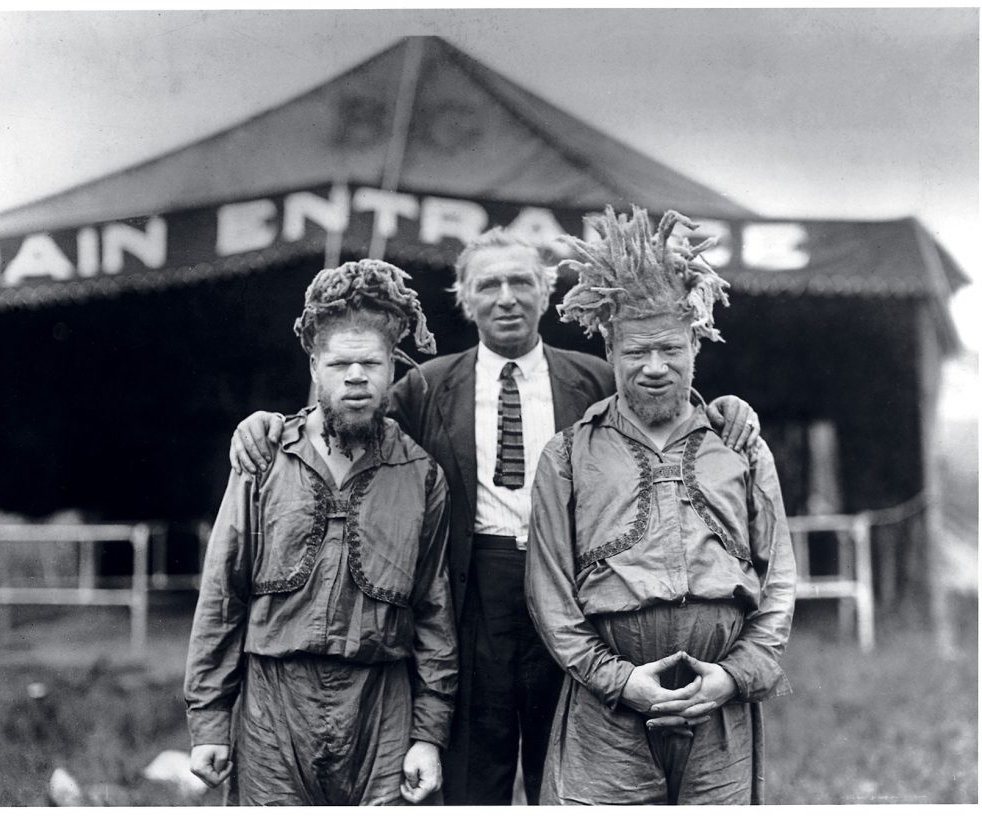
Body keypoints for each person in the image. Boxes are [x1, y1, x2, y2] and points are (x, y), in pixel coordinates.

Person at [228, 228, 761, 805]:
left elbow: (663, 404)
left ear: (547, 289)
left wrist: (727, 408)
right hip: (472, 589)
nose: (506, 297)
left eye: (521, 282)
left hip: (573, 588)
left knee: (563, 753)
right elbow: (355, 411)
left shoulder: (593, 378)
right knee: (472, 769)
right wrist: (272, 423)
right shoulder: (427, 387)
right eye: (489, 284)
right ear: (464, 297)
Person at [525, 206, 797, 805]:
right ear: (611, 348)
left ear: (697, 342)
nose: (654, 368)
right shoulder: (566, 456)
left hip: (719, 719)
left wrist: (733, 676)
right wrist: (621, 682)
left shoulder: (740, 446)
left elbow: (777, 582)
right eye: (636, 352)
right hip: (607, 718)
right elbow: (550, 598)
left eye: (671, 349)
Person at [184, 259, 457, 806]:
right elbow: (221, 595)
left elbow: (434, 612)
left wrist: (428, 734)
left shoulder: (422, 475)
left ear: (392, 369)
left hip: (381, 709)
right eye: (340, 364)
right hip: (272, 709)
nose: (356, 377)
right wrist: (210, 720)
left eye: (370, 364)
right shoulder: (263, 461)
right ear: (314, 366)